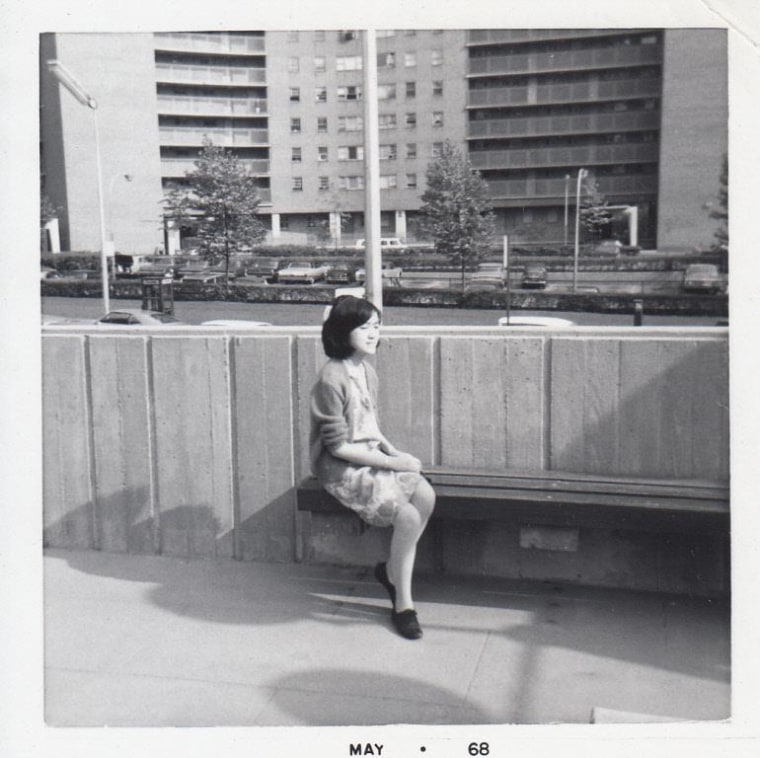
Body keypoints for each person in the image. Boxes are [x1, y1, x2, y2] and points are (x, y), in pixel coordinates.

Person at [310, 296, 436, 639]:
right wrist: (394, 462)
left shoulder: (366, 371)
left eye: (376, 327)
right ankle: (403, 602)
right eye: (363, 327)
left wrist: (394, 451)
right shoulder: (330, 379)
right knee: (408, 517)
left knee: (426, 495)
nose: (372, 334)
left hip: (369, 454)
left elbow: (370, 423)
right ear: (342, 331)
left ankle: (392, 572)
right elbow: (337, 446)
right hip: (341, 467)